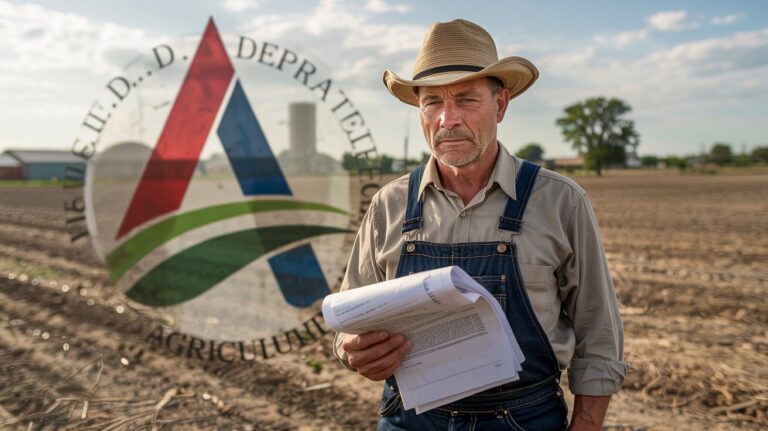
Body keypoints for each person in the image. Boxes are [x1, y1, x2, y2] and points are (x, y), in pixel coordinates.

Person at [333, 19, 628, 431]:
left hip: (526, 419)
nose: (447, 119)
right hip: (410, 419)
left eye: (466, 100)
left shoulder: (561, 201)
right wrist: (352, 350)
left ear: (501, 105)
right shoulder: (389, 204)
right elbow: (349, 323)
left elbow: (599, 335)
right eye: (432, 101)